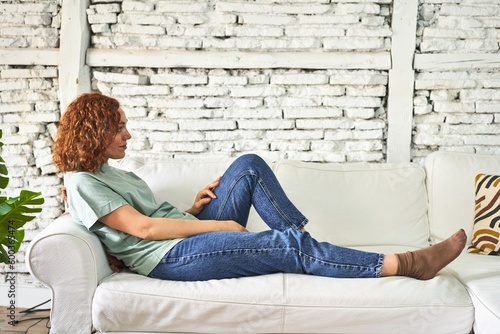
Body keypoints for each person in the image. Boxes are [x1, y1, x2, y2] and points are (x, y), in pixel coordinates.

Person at [52, 92, 466, 282]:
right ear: (95, 131)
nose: (128, 134)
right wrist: (219, 227)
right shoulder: (82, 182)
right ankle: (408, 265)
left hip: (180, 234)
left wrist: (194, 210)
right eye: (118, 127)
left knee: (248, 166)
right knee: (285, 246)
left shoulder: (106, 171)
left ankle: (305, 248)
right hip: (169, 258)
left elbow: (148, 219)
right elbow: (143, 230)